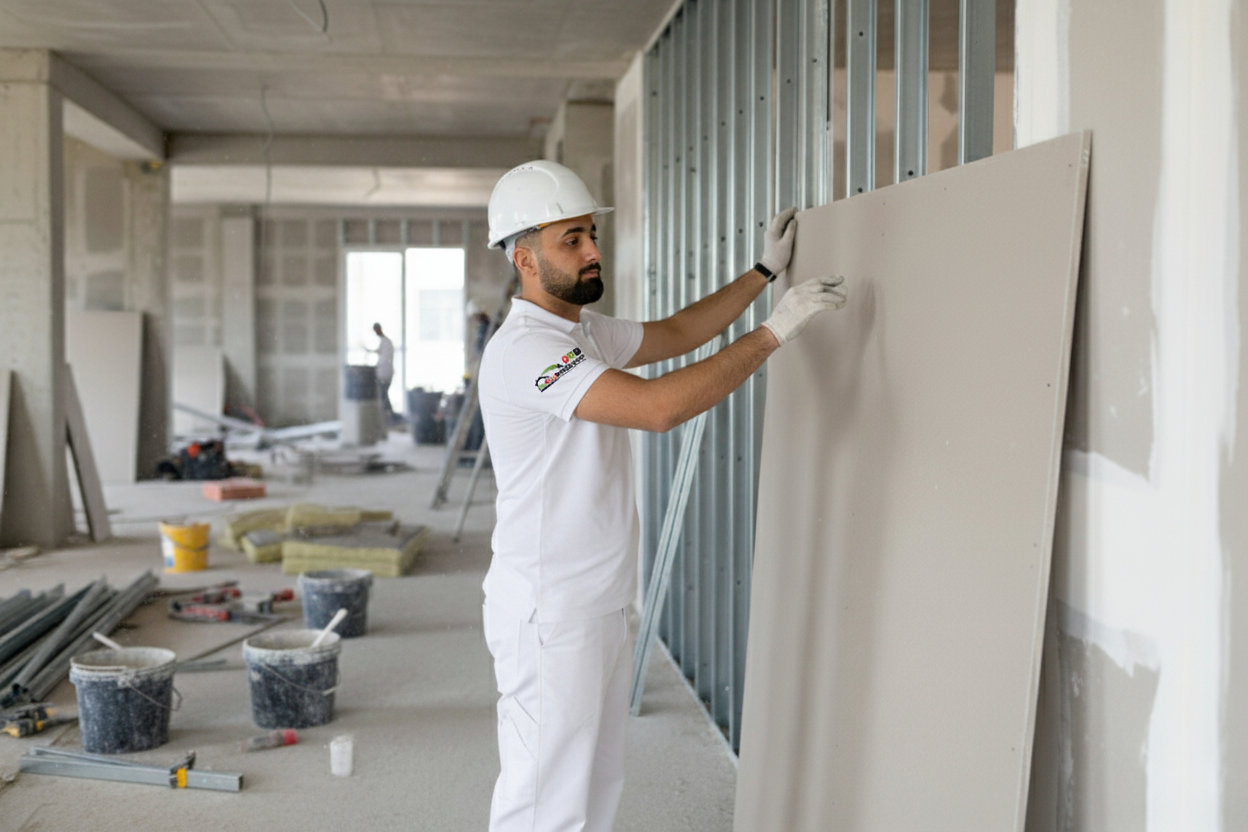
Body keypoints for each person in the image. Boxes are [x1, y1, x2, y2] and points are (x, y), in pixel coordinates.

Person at [478, 159, 847, 832]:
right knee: (544, 801)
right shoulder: (529, 351)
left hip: (597, 598)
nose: (593, 250)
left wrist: (764, 275)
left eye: (591, 232)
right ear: (524, 258)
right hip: (548, 612)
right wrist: (775, 331)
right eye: (573, 240)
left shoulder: (580, 333)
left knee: (594, 783)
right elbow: (657, 408)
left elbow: (676, 333)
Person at [368, 322, 396, 424]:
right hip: (384, 372)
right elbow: (379, 352)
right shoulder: (384, 342)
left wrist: (377, 368)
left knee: (383, 396)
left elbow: (384, 359)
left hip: (385, 373)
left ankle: (391, 418)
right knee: (384, 396)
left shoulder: (386, 342)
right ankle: (389, 418)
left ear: (378, 329)